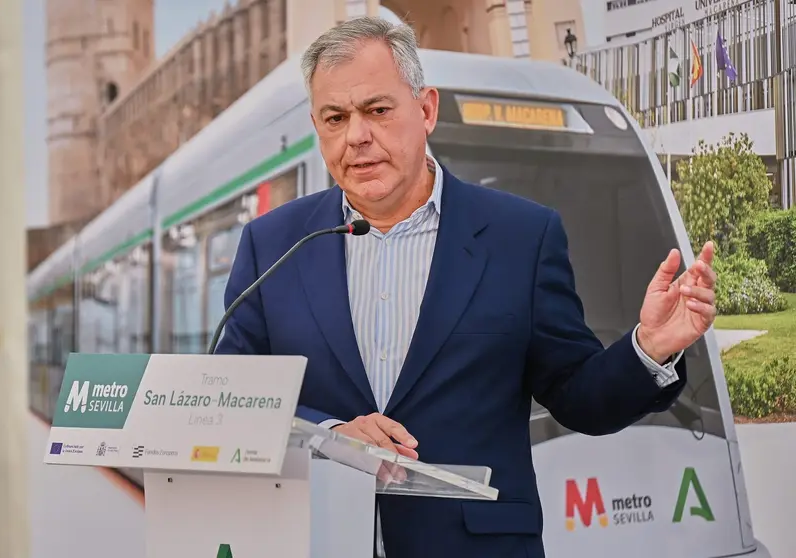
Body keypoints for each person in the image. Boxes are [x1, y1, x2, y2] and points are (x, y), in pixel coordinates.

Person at [215, 16, 717, 558]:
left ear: (425, 109)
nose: (356, 136)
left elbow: (579, 398)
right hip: (312, 540)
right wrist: (331, 434)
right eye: (334, 118)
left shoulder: (520, 237)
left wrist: (649, 349)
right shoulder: (272, 245)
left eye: (378, 110)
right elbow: (233, 397)